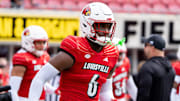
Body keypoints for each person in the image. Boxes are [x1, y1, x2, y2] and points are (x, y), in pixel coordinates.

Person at [28, 2, 118, 101]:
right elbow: (40, 78)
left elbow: (105, 92)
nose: (105, 30)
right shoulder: (76, 48)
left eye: (108, 26)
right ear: (87, 24)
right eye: (101, 26)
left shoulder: (111, 53)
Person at [9, 25, 50, 101]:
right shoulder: (22, 58)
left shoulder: (44, 56)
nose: (42, 46)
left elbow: (41, 83)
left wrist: (54, 90)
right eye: (38, 42)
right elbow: (13, 89)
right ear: (28, 42)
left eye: (44, 42)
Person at [135, 34, 175, 101]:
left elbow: (143, 95)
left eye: (146, 45)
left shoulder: (148, 67)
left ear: (152, 48)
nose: (144, 48)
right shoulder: (171, 68)